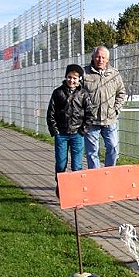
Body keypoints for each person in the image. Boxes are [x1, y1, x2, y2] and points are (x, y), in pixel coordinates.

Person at [46, 64, 94, 196]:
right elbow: (51, 113)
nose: (71, 80)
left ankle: (76, 189)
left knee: (77, 165)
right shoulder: (58, 92)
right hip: (61, 134)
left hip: (77, 134)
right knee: (61, 163)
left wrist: (82, 130)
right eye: (69, 77)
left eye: (74, 78)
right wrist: (55, 131)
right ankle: (61, 187)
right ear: (65, 77)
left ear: (79, 79)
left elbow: (89, 114)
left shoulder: (83, 94)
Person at [82, 46, 126, 168]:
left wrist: (116, 109)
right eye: (97, 57)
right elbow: (78, 95)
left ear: (107, 59)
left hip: (109, 119)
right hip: (91, 121)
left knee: (113, 148)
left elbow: (121, 93)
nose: (100, 60)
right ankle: (96, 178)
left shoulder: (114, 74)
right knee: (92, 152)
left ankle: (109, 174)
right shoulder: (84, 74)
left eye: (103, 57)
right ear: (93, 57)